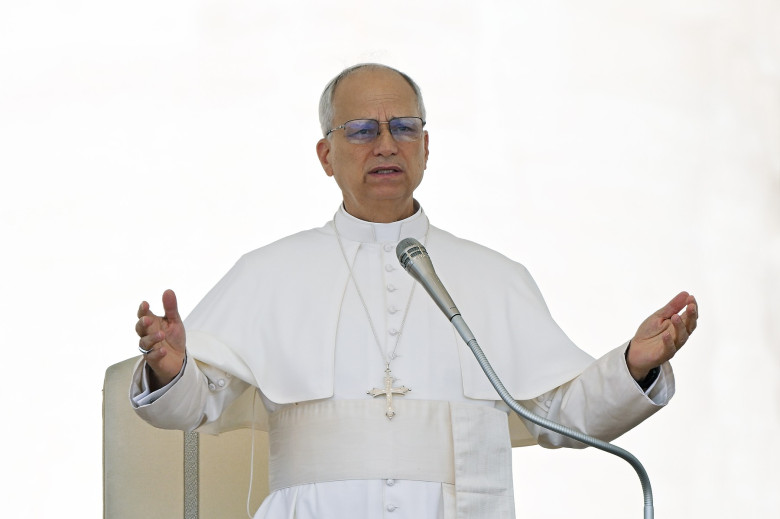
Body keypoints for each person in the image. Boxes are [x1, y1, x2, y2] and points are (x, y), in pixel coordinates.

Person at [131, 63, 698, 518]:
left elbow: (562, 416)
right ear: (326, 155)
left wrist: (632, 365)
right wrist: (171, 368)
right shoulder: (268, 272)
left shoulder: (492, 276)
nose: (385, 145)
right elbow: (193, 405)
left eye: (403, 127)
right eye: (361, 130)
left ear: (426, 146)